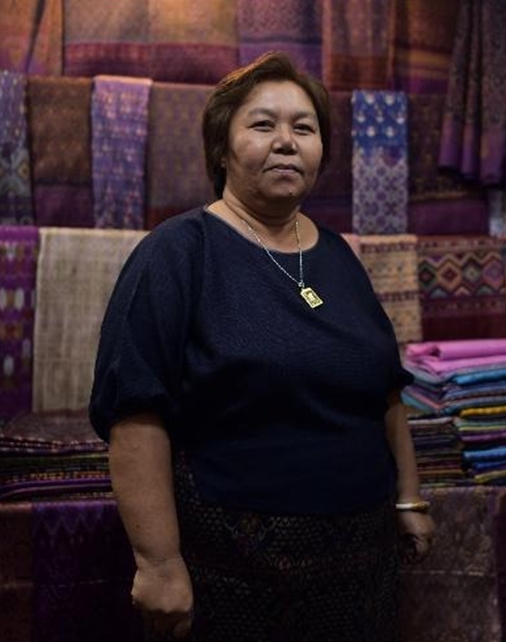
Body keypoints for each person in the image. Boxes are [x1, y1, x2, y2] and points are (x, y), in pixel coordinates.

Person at [89, 51, 435, 642]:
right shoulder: (177, 252)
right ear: (221, 149)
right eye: (263, 124)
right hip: (234, 568)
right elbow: (135, 413)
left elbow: (385, 390)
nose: (286, 142)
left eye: (304, 127)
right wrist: (159, 562)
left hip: (364, 565)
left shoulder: (340, 256)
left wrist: (408, 499)